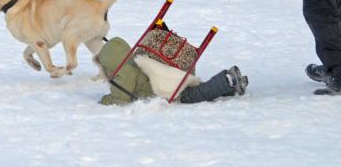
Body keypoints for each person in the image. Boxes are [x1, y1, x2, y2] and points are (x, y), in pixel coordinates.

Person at [97, 37, 249, 105]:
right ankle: (231, 87)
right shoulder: (134, 61)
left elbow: (121, 98)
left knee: (196, 95)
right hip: (172, 77)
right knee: (200, 89)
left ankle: (228, 79)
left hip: (168, 88)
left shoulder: (123, 72)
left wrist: (105, 100)